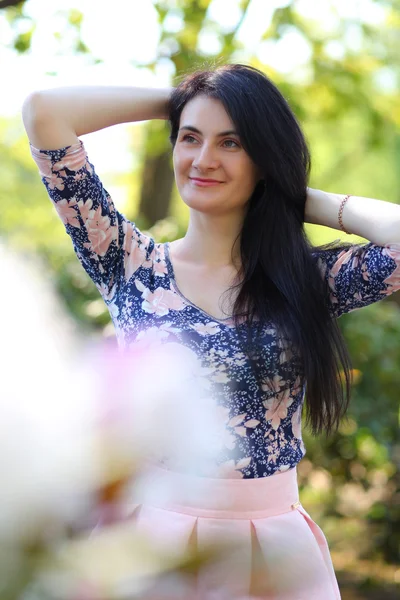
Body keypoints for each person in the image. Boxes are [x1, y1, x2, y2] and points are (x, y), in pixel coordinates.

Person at [22, 63, 400, 599]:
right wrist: (183, 99)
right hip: (150, 540)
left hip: (271, 547)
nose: (203, 160)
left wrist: (291, 194)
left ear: (263, 159)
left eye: (232, 144)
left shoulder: (306, 281)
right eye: (190, 138)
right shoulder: (125, 261)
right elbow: (45, 111)